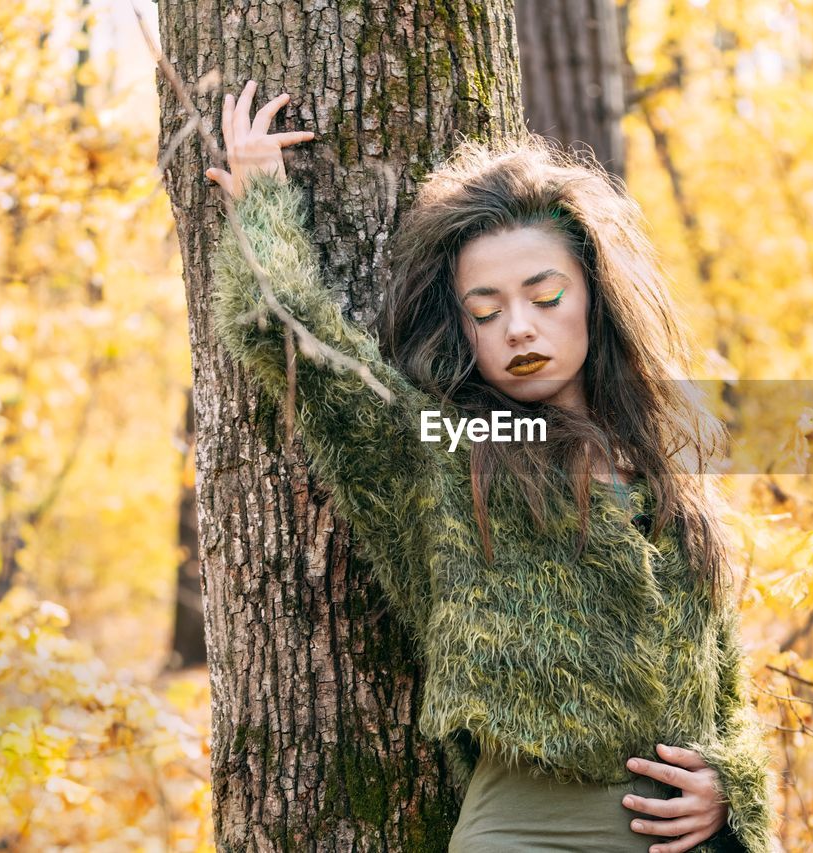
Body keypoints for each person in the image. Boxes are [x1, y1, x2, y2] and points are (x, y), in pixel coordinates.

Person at [205, 79, 777, 853]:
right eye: (486, 310)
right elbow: (291, 343)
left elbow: (727, 693)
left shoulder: (662, 464)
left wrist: (730, 791)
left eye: (545, 296)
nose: (517, 328)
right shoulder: (447, 449)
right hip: (525, 831)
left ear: (592, 298)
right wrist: (262, 199)